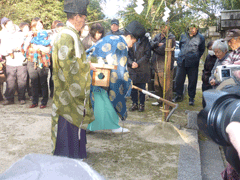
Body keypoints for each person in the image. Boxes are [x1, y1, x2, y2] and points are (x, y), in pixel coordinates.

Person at [51, 0, 96, 159]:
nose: (84, 23)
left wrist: (84, 64)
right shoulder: (66, 35)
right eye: (83, 18)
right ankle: (68, 155)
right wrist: (86, 66)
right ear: (77, 17)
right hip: (68, 90)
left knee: (73, 121)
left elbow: (71, 60)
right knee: (68, 122)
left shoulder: (69, 34)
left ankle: (74, 152)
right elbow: (67, 63)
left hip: (70, 88)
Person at [86, 20, 146, 133]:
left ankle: (94, 127)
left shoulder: (111, 37)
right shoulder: (121, 45)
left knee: (99, 101)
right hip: (100, 75)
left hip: (91, 72)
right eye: (134, 41)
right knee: (108, 98)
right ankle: (112, 126)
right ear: (129, 36)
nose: (133, 44)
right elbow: (120, 71)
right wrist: (127, 82)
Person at [173, 23, 205, 105]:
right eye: (191, 28)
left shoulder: (200, 37)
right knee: (178, 80)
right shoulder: (183, 35)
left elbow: (202, 49)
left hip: (193, 63)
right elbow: (180, 46)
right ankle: (178, 95)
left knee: (192, 81)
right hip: (182, 61)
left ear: (197, 29)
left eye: (194, 28)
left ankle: (191, 98)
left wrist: (196, 57)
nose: (193, 30)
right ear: (188, 28)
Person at [22, 17, 51, 109]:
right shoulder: (30, 36)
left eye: (41, 24)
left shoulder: (46, 36)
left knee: (43, 82)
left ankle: (44, 101)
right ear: (33, 26)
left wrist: (38, 46)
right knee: (33, 82)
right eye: (38, 24)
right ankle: (34, 101)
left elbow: (48, 49)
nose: (40, 26)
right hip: (31, 61)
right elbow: (24, 49)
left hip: (43, 61)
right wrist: (28, 39)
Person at [0, 18, 28, 105]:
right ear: (5, 26)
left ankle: (21, 98)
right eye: (8, 25)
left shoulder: (20, 33)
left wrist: (21, 48)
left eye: (11, 24)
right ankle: (9, 99)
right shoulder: (3, 35)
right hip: (10, 61)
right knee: (10, 81)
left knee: (22, 80)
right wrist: (9, 50)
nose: (11, 26)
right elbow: (2, 49)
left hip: (21, 60)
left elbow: (25, 43)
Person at [150, 23, 176, 106]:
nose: (163, 28)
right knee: (157, 85)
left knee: (166, 86)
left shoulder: (171, 37)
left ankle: (168, 103)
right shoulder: (157, 36)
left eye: (165, 26)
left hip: (165, 65)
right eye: (162, 26)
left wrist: (154, 47)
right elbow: (150, 44)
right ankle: (159, 101)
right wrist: (157, 44)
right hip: (156, 65)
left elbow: (162, 50)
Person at [128, 32, 151, 112]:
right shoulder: (129, 39)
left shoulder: (145, 40)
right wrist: (131, 63)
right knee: (133, 87)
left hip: (142, 67)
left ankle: (142, 104)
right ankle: (134, 103)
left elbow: (147, 55)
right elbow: (126, 54)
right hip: (132, 67)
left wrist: (138, 63)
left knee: (142, 87)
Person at [201, 41, 217, 107]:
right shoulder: (208, 56)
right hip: (205, 80)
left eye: (212, 49)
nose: (211, 51)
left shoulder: (218, 58)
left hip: (213, 81)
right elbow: (205, 68)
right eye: (209, 49)